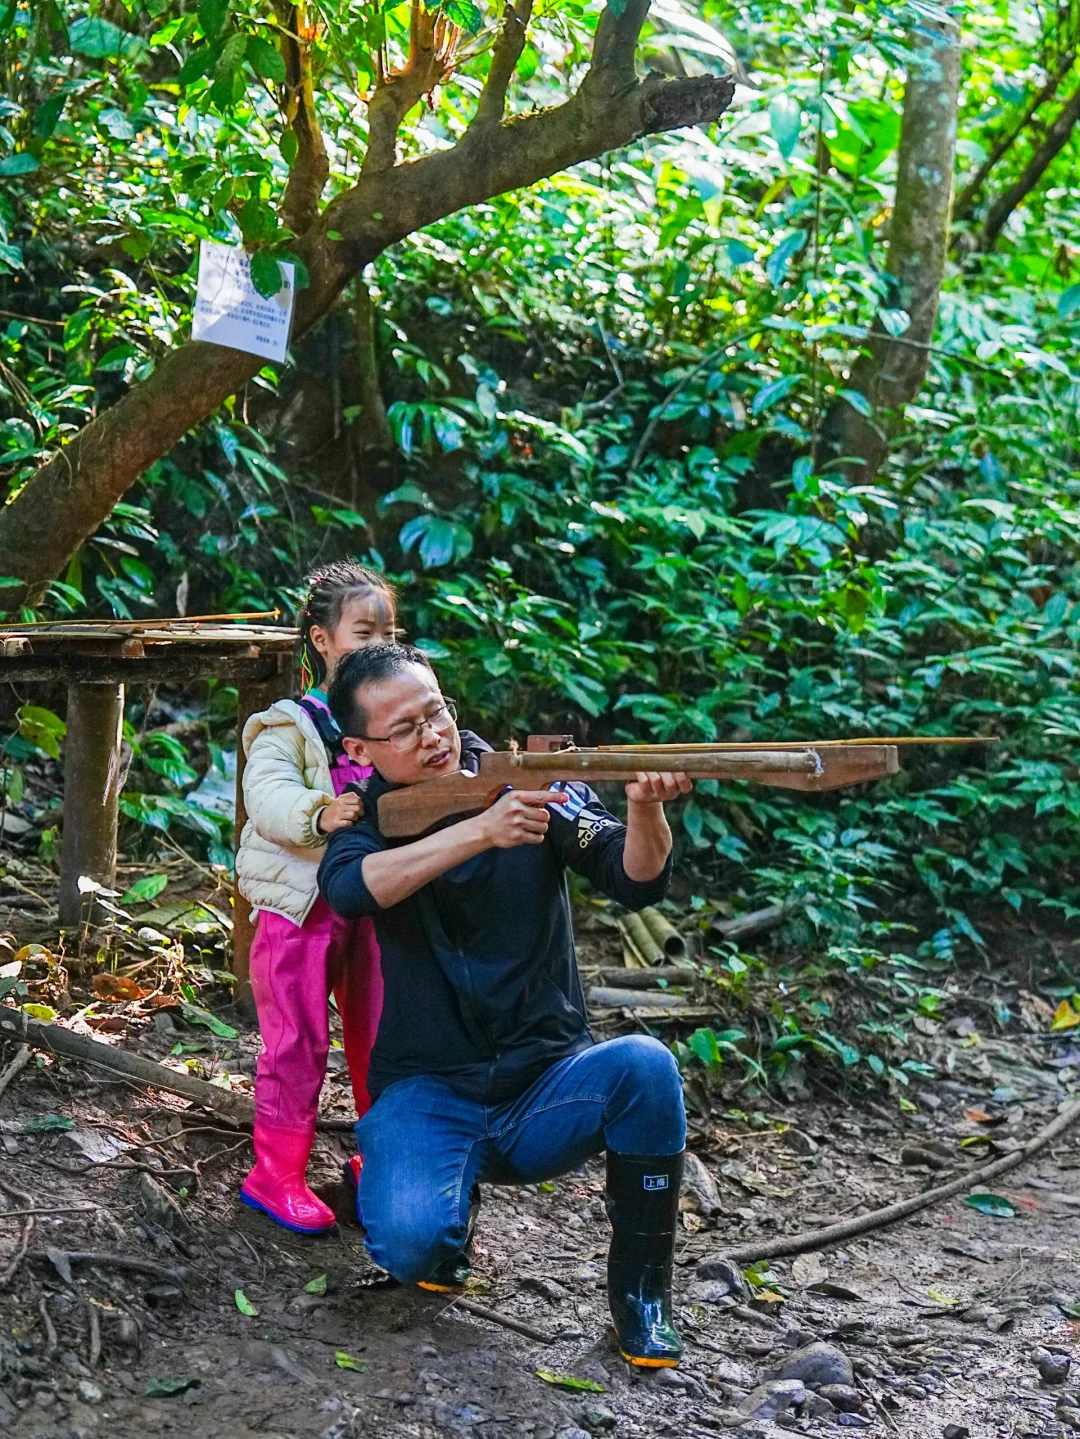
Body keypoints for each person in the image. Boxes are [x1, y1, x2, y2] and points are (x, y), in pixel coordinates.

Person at [317, 643, 693, 1368]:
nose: (433, 735)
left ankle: (641, 1300)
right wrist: (480, 832)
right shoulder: (365, 816)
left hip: (547, 1086)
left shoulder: (525, 785)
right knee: (409, 1244)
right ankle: (448, 1219)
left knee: (646, 1067)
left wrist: (646, 811)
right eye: (406, 728)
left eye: (438, 712)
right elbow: (353, 888)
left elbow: (631, 875)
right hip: (428, 1090)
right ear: (359, 747)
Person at [234, 561, 396, 1234]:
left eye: (389, 630)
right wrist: (320, 812)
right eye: (364, 630)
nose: (380, 641)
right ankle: (275, 1171)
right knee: (297, 1040)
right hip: (301, 909)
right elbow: (265, 794)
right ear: (322, 640)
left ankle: (383, 1157)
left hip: (373, 905)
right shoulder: (287, 724)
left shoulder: (393, 722)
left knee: (386, 1033)